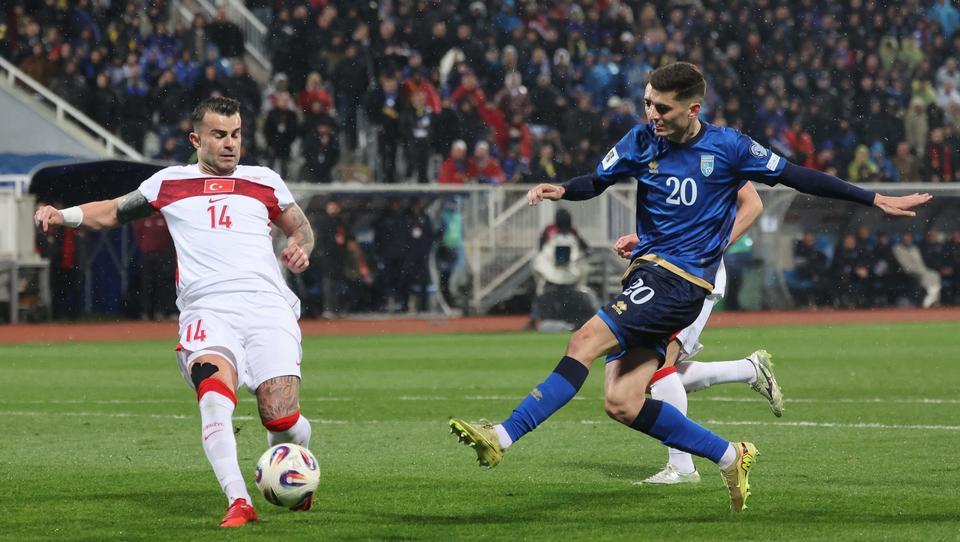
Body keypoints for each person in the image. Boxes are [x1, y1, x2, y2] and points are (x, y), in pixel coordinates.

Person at [448, 62, 930, 512]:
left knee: (584, 341)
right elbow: (596, 181)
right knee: (622, 402)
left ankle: (502, 436)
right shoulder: (641, 140)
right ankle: (729, 455)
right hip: (648, 273)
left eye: (662, 107)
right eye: (647, 103)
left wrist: (873, 198)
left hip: (678, 282)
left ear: (692, 109)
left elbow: (796, 176)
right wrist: (563, 190)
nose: (651, 114)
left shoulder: (729, 147)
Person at [34, 97, 316, 528]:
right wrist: (64, 215)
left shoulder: (264, 180)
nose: (230, 144)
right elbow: (112, 211)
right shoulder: (170, 182)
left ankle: (297, 462)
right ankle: (239, 500)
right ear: (196, 140)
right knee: (213, 395)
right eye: (219, 135)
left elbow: (301, 228)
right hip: (207, 310)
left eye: (236, 134)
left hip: (267, 307)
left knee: (280, 417)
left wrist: (301, 248)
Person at [612, 182, 784, 485]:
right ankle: (749, 369)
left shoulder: (717, 156)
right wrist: (645, 241)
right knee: (653, 372)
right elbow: (684, 221)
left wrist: (713, 246)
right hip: (671, 273)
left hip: (697, 277)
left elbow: (753, 203)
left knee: (658, 367)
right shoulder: (669, 160)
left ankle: (682, 467)